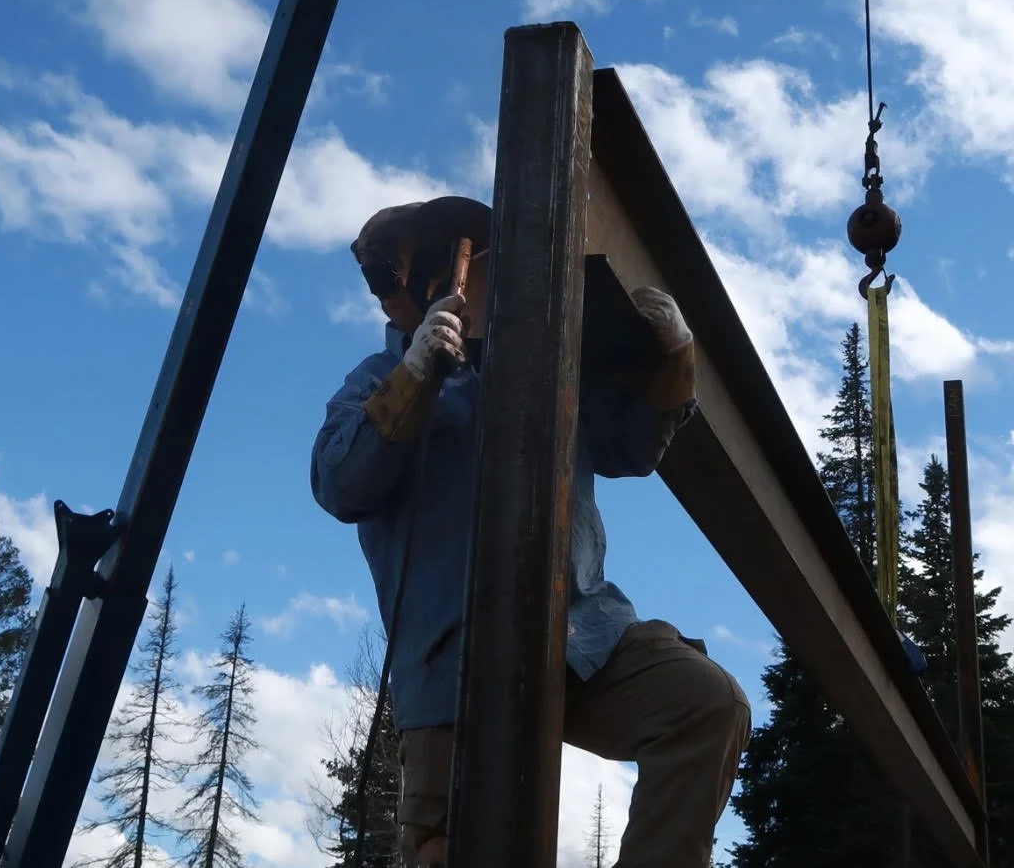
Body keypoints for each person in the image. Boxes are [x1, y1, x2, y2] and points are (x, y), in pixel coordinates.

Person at [312, 196, 751, 868]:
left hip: (578, 634)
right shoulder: (377, 379)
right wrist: (415, 375)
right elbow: (340, 483)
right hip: (456, 661)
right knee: (452, 849)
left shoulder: (546, 367)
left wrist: (673, 361)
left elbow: (631, 447)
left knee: (704, 705)